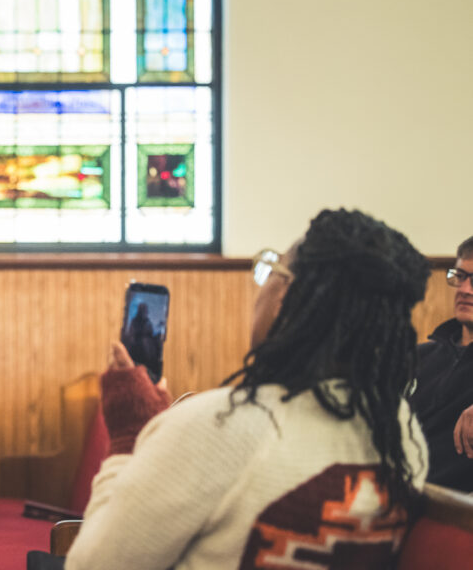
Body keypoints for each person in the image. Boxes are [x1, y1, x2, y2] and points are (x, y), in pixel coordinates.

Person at [64, 209, 431, 569]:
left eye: (271, 269)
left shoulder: (219, 426)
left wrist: (129, 439)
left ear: (286, 296)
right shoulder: (400, 431)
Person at [411, 236, 473, 491]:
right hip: (390, 498)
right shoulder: (417, 356)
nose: (465, 289)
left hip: (456, 516)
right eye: (460, 276)